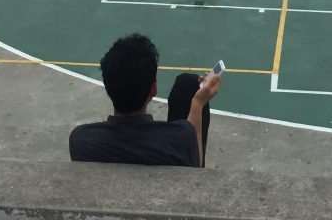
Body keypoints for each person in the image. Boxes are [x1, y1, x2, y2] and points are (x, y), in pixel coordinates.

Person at [69, 33, 221, 167]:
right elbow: (195, 168)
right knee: (189, 85)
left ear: (108, 88)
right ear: (153, 89)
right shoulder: (181, 139)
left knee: (186, 84)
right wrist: (197, 104)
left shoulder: (81, 140)